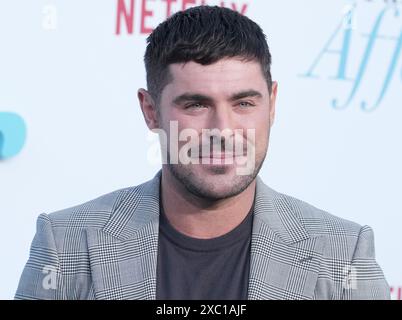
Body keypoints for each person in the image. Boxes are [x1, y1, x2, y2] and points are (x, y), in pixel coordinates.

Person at [16, 5, 390, 300]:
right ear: (150, 111)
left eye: (244, 103)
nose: (222, 131)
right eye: (195, 105)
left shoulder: (344, 253)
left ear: (272, 105)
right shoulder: (65, 245)